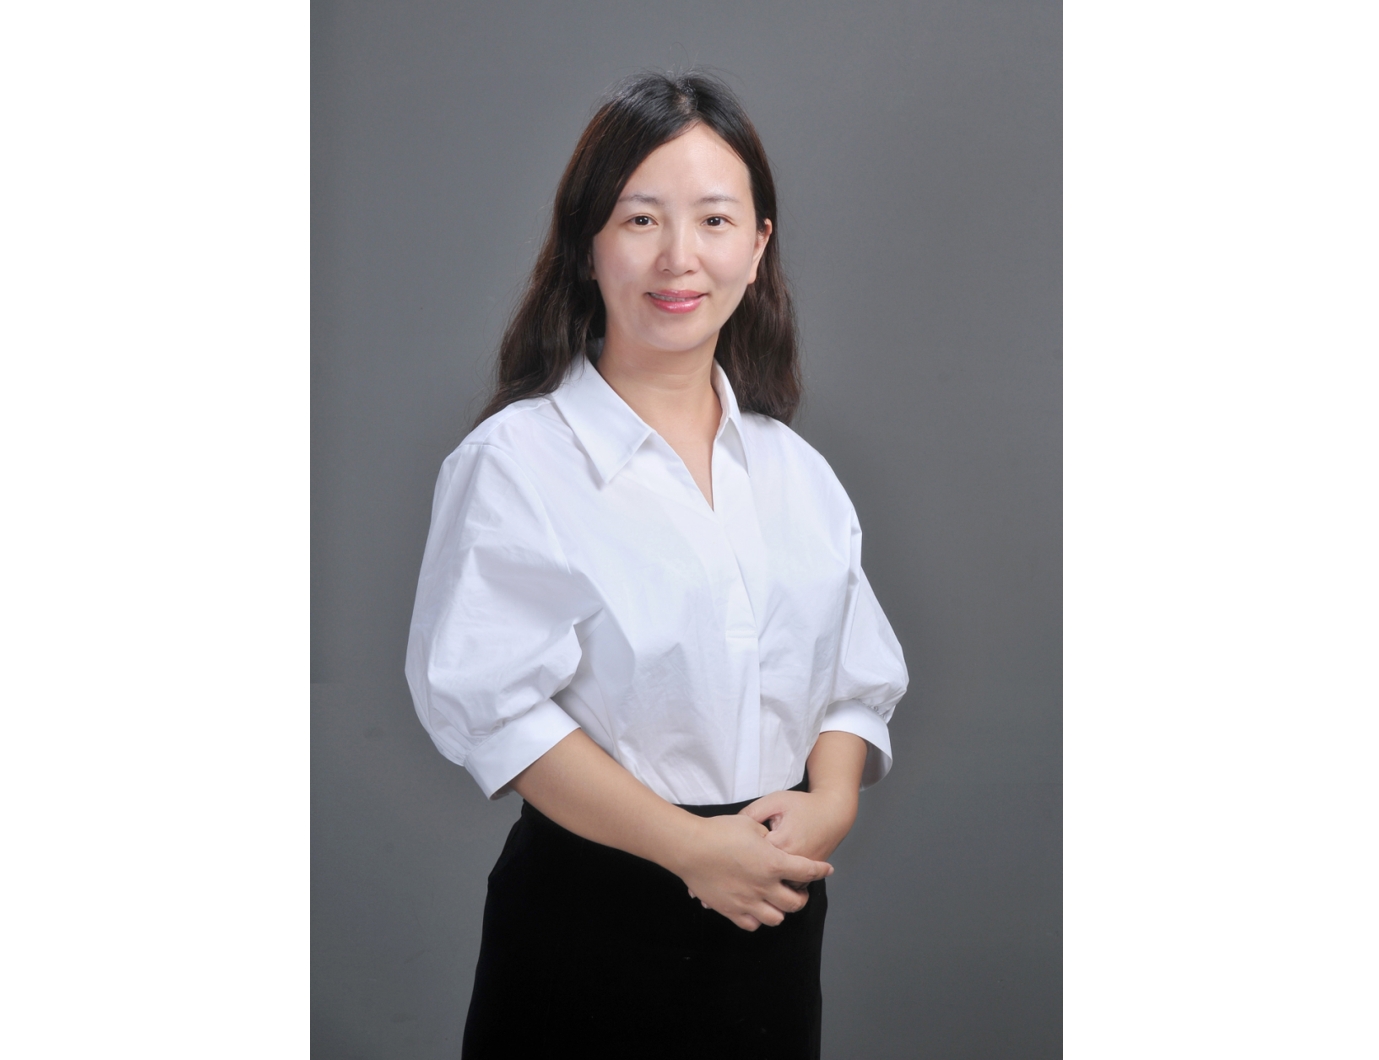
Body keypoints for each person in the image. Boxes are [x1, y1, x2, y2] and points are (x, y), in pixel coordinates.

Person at [405, 70, 907, 1059]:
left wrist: (832, 803)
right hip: (594, 909)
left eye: (714, 220)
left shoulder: (794, 471)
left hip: (770, 910)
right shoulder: (517, 461)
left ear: (756, 247)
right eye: (640, 220)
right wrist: (689, 849)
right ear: (586, 246)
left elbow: (855, 682)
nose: (679, 257)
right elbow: (495, 708)